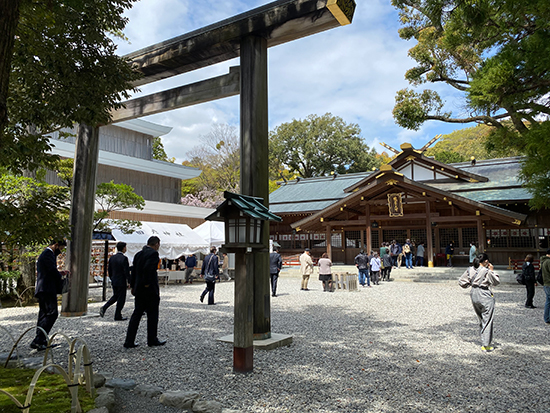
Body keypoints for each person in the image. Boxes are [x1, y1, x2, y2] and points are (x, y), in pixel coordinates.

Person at [124, 236, 166, 348]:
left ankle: (129, 340)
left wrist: (133, 286)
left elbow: (134, 271)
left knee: (137, 314)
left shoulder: (138, 254)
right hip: (149, 289)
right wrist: (147, 283)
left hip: (138, 289)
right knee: (152, 315)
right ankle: (152, 339)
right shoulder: (153, 254)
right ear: (156, 244)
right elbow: (149, 269)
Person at [30, 240, 68, 351]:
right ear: (56, 245)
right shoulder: (48, 254)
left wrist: (60, 272)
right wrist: (59, 276)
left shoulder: (46, 254)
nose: (60, 252)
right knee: (52, 313)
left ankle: (41, 340)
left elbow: (49, 270)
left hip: (44, 288)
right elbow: (51, 271)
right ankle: (38, 339)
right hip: (47, 289)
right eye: (60, 248)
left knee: (44, 314)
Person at [459, 253, 500, 352]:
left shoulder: (470, 269)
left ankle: (484, 339)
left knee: (481, 318)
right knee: (488, 319)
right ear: (486, 261)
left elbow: (461, 282)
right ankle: (486, 345)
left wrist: (471, 283)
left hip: (474, 293)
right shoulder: (486, 271)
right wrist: (492, 271)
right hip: (484, 294)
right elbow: (496, 281)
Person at [100, 242, 130, 321]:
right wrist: (129, 281)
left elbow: (109, 270)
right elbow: (126, 271)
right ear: (123, 248)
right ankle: (117, 315)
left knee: (116, 296)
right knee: (121, 298)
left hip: (114, 280)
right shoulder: (124, 258)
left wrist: (112, 278)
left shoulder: (112, 258)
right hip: (121, 281)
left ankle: (105, 307)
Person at [541, 249, 550, 324]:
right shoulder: (549, 261)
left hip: (546, 283)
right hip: (549, 283)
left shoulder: (543, 261)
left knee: (548, 301)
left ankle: (547, 318)